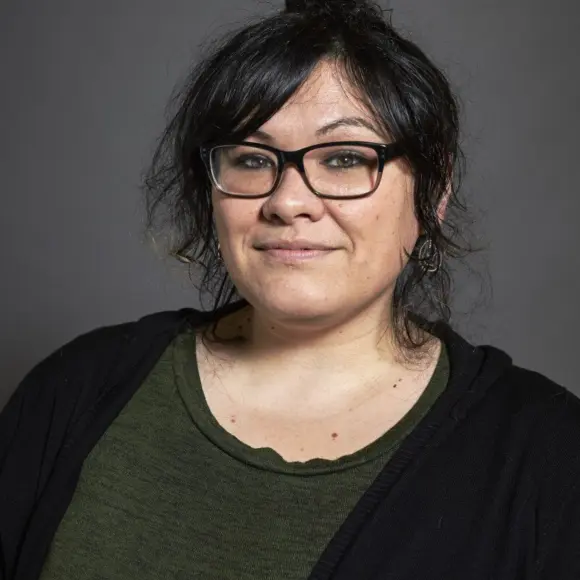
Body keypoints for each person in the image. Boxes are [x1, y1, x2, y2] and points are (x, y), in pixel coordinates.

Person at [1, 0, 579, 578]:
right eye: (252, 159)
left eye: (345, 158)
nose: (288, 201)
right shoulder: (75, 389)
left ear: (434, 190)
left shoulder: (547, 453)